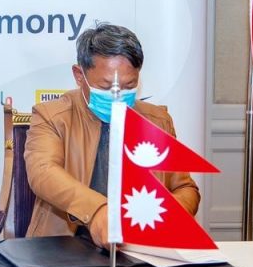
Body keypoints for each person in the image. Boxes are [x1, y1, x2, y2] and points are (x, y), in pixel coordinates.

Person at [24, 23, 199, 247]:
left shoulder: (157, 121)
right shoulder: (52, 116)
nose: (117, 96)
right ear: (79, 76)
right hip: (65, 246)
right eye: (106, 87)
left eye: (128, 86)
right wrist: (98, 210)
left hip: (141, 247)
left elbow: (185, 189)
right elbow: (43, 172)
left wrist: (161, 216)